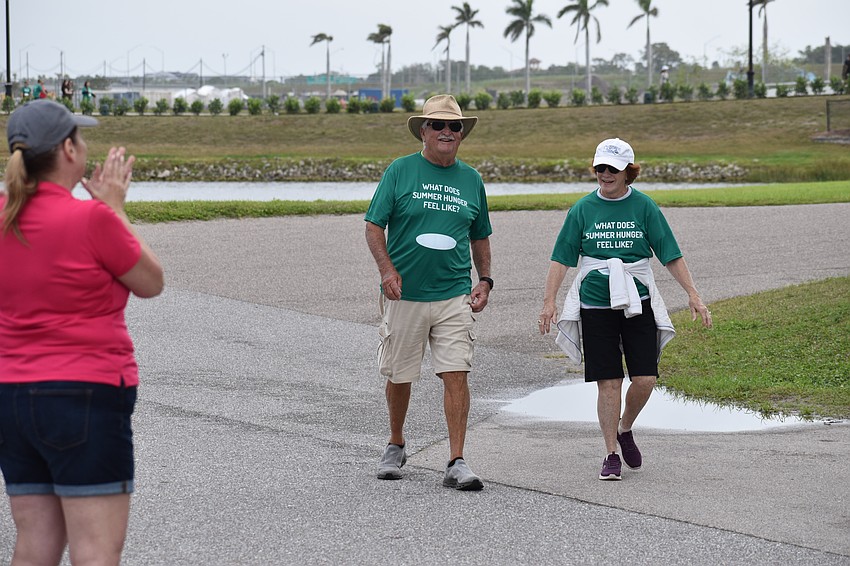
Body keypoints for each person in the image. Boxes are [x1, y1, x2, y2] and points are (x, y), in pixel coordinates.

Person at [0, 99, 165, 565]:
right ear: (68, 150)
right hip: (85, 395)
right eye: (81, 138)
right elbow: (151, 282)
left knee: (35, 544)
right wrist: (114, 208)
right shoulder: (91, 220)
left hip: (11, 395)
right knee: (95, 550)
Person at [538, 138, 712, 481]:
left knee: (645, 378)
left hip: (637, 302)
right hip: (595, 304)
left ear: (628, 172)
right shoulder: (582, 209)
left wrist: (694, 294)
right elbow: (561, 258)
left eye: (612, 169)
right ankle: (610, 453)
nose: (604, 174)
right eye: (600, 168)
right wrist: (549, 301)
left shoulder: (644, 207)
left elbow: (670, 254)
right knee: (609, 382)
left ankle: (625, 426)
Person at [365, 94, 493, 491]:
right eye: (438, 125)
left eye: (454, 127)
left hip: (454, 294)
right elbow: (373, 226)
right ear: (423, 130)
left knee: (457, 373)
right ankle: (396, 443)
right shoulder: (401, 171)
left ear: (461, 134)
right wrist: (387, 270)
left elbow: (480, 235)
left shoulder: (471, 179)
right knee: (400, 374)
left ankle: (456, 460)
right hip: (406, 294)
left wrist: (485, 280)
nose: (446, 132)